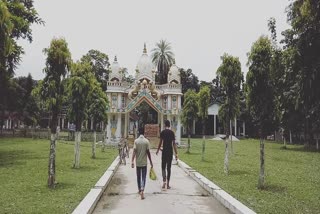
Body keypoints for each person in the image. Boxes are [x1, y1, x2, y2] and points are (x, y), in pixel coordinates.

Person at [131, 127, 153, 200]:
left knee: (138, 177)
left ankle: (139, 190)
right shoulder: (146, 141)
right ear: (144, 133)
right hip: (144, 163)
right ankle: (143, 189)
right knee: (143, 177)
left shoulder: (136, 141)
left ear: (138, 133)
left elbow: (134, 151)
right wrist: (151, 162)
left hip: (138, 163)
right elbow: (148, 152)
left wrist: (132, 161)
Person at [156, 120, 178, 190]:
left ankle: (164, 182)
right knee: (169, 168)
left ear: (165, 125)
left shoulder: (162, 132)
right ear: (169, 125)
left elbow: (160, 142)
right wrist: (176, 153)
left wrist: (157, 150)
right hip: (170, 152)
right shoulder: (172, 133)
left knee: (163, 167)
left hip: (164, 151)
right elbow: (174, 144)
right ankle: (168, 184)